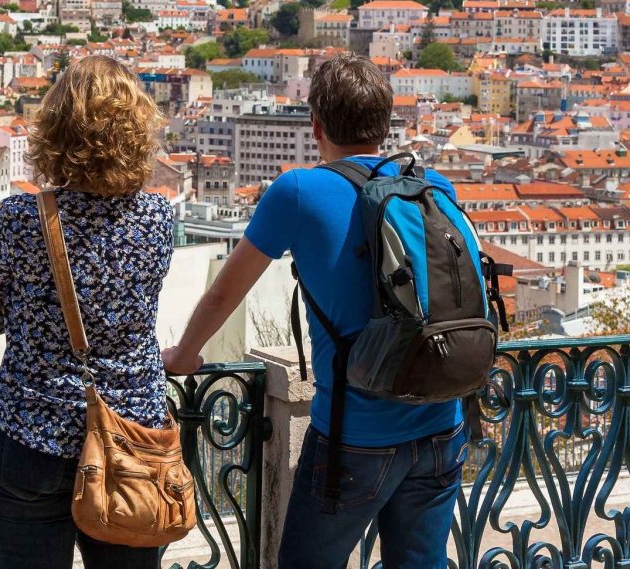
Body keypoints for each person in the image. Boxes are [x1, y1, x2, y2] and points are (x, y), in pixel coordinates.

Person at [162, 54, 466, 569]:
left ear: (317, 126)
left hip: (356, 435)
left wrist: (186, 354)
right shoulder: (432, 185)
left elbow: (224, 292)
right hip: (442, 423)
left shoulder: (298, 191)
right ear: (386, 122)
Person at [0, 55, 173, 569]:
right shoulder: (157, 218)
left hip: (31, 434)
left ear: (56, 128)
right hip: (132, 441)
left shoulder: (22, 218)